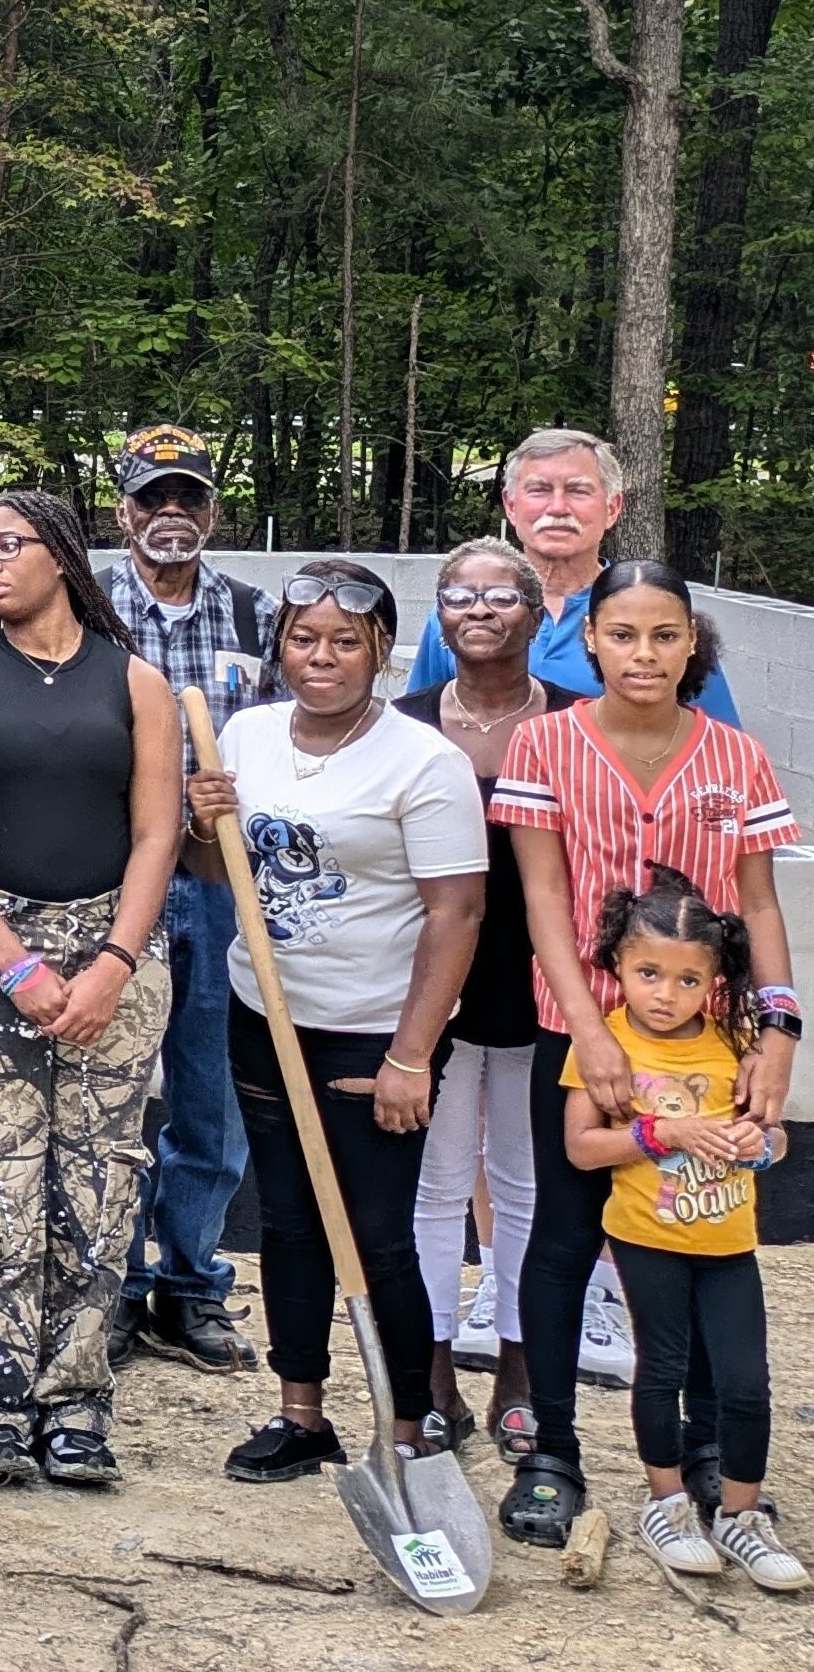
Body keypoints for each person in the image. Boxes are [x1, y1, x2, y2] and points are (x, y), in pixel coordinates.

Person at [490, 561, 798, 1552]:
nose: (642, 654)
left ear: (690, 642)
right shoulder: (544, 744)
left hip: (709, 1034)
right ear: (590, 641)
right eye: (622, 634)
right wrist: (587, 1027)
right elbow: (541, 896)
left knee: (701, 1234)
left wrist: (779, 1032)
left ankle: (707, 1453)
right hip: (580, 1026)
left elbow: (755, 904)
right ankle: (552, 1453)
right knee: (565, 1235)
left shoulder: (735, 757)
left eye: (663, 636)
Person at [185, 560, 483, 1486]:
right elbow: (211, 873)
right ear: (281, 645)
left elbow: (456, 914)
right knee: (287, 1219)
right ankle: (300, 1412)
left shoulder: (423, 761)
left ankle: (409, 1424)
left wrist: (411, 1054)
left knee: (380, 1228)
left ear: (381, 652)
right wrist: (204, 822)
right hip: (265, 1016)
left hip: (372, 1031)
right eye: (305, 638)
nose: (322, 656)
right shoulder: (247, 732)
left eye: (345, 641)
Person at [0, 489, 181, 1489]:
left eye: (5, 544)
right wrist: (14, 963)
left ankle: (74, 1400)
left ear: (61, 555)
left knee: (97, 1181)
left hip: (113, 945)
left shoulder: (137, 681)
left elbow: (157, 831)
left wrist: (113, 959)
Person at [557, 871, 805, 1591]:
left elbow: (772, 1135)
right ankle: (666, 1501)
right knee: (661, 1370)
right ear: (618, 966)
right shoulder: (604, 1047)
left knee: (745, 1383)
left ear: (715, 981)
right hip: (648, 1236)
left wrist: (763, 1145)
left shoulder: (736, 1043)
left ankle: (741, 1513)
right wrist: (667, 1130)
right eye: (648, 973)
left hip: (729, 1242)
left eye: (688, 979)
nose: (665, 994)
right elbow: (581, 1146)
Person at [96, 422, 273, 1375]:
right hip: (115, 878)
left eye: (190, 497)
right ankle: (118, 1284)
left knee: (210, 1095)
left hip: (219, 884)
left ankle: (192, 1284)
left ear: (213, 509)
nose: (172, 513)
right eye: (153, 497)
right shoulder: (85, 610)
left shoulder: (255, 617)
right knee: (116, 1091)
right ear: (122, 508)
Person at [393, 538, 554, 1457]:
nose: (480, 608)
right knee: (436, 1184)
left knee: (524, 1185)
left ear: (536, 611)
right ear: (440, 613)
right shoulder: (405, 724)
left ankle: (522, 1370)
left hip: (540, 987)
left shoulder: (574, 722)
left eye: (501, 594)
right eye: (459, 594)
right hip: (431, 989)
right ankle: (435, 1370)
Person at [407, 429, 746, 723]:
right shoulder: (463, 612)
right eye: (539, 489)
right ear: (510, 505)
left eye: (578, 491)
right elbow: (419, 728)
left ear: (612, 508)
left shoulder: (656, 616)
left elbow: (722, 751)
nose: (557, 508)